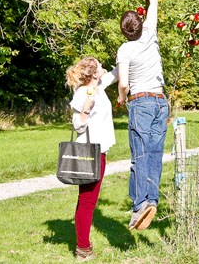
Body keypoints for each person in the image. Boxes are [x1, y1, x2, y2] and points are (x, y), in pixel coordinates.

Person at [116, 0, 167, 231]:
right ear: (139, 22)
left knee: (139, 154)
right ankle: (152, 200)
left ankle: (138, 207)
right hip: (161, 101)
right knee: (155, 153)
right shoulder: (149, 32)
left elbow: (123, 83)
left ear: (124, 30)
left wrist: (122, 98)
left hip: (141, 102)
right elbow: (153, 3)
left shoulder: (125, 50)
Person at [66, 57, 118, 261]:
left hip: (100, 151)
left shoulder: (99, 87)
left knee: (89, 200)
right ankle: (82, 248)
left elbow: (115, 74)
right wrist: (86, 109)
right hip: (89, 153)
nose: (103, 67)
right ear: (94, 72)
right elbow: (77, 125)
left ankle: (83, 245)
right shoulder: (82, 93)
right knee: (87, 201)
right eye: (99, 65)